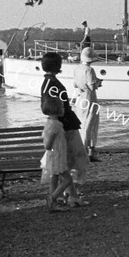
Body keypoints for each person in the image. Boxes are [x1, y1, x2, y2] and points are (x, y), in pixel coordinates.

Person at [41, 52, 89, 207]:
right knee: (75, 160)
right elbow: (60, 107)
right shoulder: (54, 84)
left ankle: (66, 194)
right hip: (66, 125)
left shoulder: (46, 83)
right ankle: (70, 195)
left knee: (66, 162)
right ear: (58, 66)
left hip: (61, 124)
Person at [40, 95, 72, 213]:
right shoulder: (56, 125)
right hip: (57, 156)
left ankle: (53, 203)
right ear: (57, 109)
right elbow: (48, 144)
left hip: (53, 155)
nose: (64, 109)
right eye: (62, 107)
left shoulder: (49, 123)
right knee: (68, 179)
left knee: (54, 177)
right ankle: (52, 198)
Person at [73, 47, 102, 162]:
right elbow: (92, 86)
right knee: (91, 123)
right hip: (90, 97)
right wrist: (98, 83)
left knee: (82, 122)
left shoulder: (77, 68)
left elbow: (75, 84)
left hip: (80, 96)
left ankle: (82, 150)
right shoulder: (89, 70)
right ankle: (89, 151)